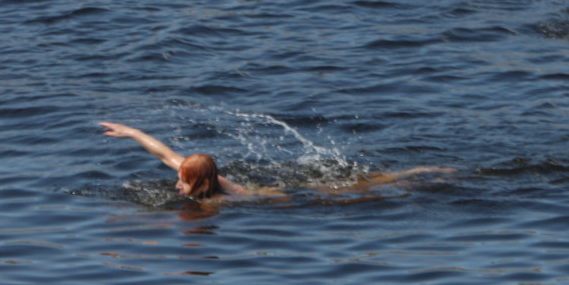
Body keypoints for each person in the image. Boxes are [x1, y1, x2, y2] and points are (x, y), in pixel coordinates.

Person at [99, 121, 450, 200]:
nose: (177, 182)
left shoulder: (214, 201)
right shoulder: (194, 174)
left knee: (355, 190)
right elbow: (164, 153)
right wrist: (130, 132)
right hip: (268, 189)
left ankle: (418, 174)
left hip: (272, 195)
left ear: (202, 184)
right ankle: (416, 173)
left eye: (184, 181)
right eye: (180, 177)